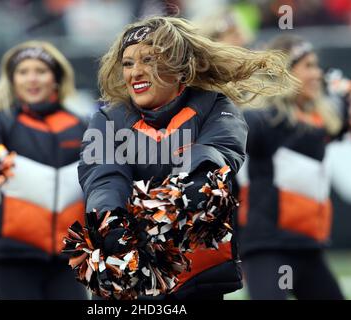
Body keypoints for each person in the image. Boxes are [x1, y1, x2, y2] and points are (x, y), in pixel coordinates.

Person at [77, 16, 297, 300]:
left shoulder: (215, 107)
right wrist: (112, 226)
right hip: (128, 276)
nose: (135, 73)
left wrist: (159, 212)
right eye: (128, 63)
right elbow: (103, 179)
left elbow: (212, 161)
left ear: (179, 68)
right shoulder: (107, 119)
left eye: (149, 60)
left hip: (194, 274)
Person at [0, 41, 88, 299]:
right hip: (12, 256)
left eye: (41, 71)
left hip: (68, 256)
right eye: (23, 72)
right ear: (12, 80)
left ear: (56, 78)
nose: (32, 79)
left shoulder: (80, 124)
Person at [236, 34, 346, 300]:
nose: (317, 73)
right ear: (284, 73)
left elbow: (341, 115)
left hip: (308, 246)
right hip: (268, 248)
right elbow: (231, 133)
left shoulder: (319, 118)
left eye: (317, 65)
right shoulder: (264, 121)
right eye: (308, 66)